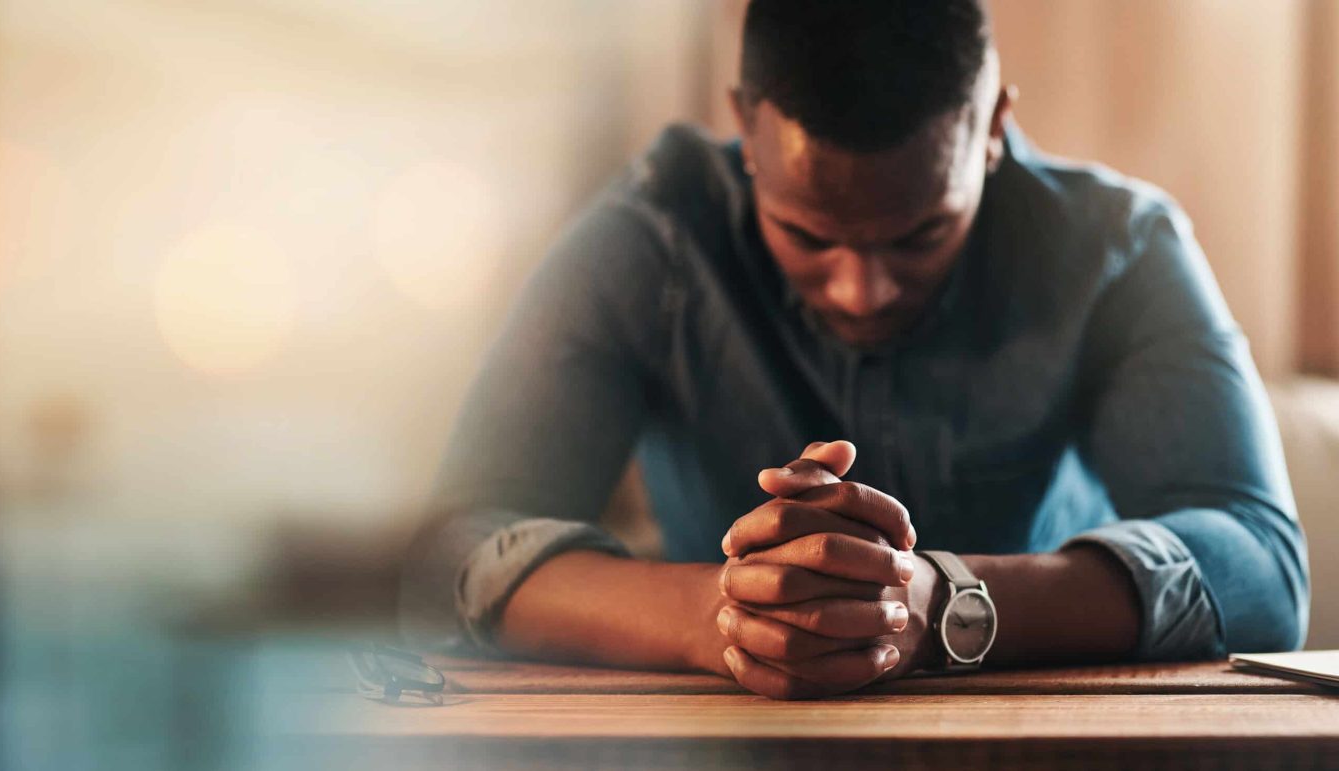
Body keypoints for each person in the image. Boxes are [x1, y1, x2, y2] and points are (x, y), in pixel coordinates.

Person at [398, 0, 1310, 699]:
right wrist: (719, 614)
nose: (859, 289)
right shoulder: (651, 238)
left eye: (920, 236)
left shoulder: (1122, 247)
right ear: (746, 128)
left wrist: (939, 603)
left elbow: (1262, 566)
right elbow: (440, 557)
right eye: (806, 234)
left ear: (992, 125)